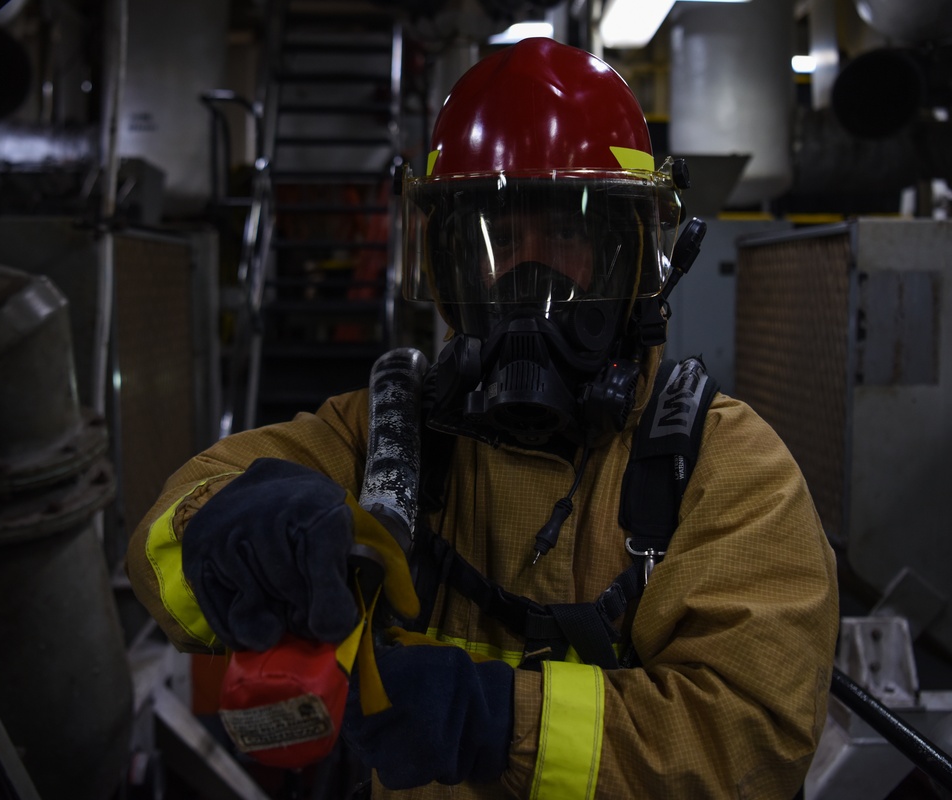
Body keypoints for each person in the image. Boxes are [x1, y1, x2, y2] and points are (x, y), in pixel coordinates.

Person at [126, 37, 839, 799]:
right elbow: (164, 536)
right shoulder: (385, 438)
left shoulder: (723, 470)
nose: (525, 277)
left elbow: (750, 744)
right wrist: (226, 533)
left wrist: (501, 722)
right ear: (447, 266)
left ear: (635, 258)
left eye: (567, 232)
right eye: (492, 238)